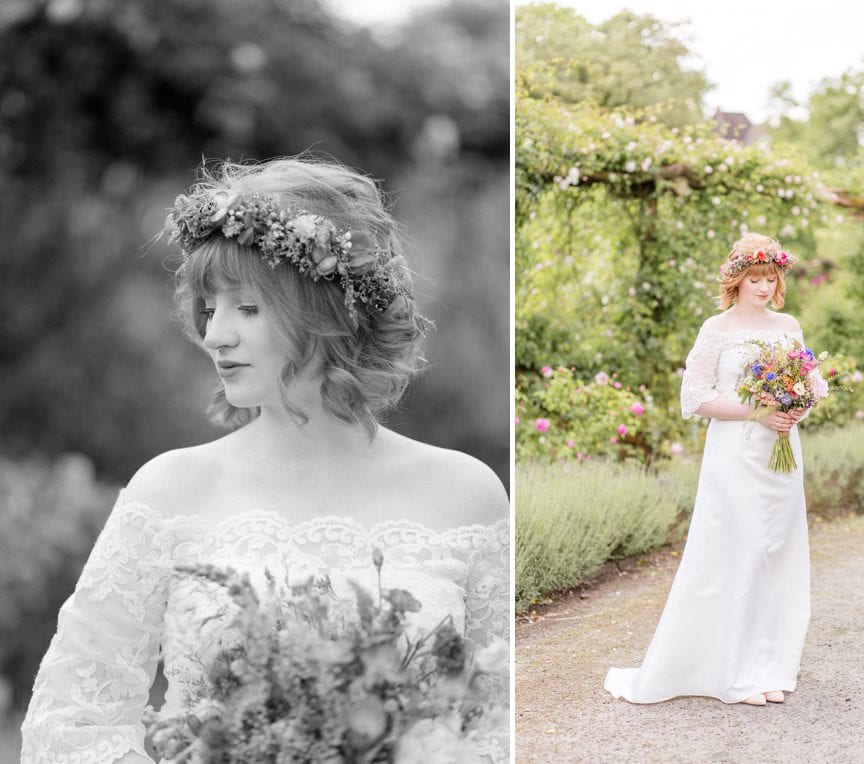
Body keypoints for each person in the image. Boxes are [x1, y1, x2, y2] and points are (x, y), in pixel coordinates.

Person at [21, 157, 510, 761]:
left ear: (332, 313)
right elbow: (71, 720)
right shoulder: (169, 491)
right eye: (210, 306)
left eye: (247, 308)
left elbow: (503, 722)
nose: (214, 334)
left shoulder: (468, 494)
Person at [604, 232, 809, 707]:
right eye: (755, 278)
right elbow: (693, 398)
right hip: (735, 456)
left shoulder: (789, 324)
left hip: (782, 452)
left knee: (776, 553)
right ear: (737, 280)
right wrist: (755, 411)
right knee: (741, 550)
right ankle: (733, 674)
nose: (763, 286)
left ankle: (767, 665)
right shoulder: (716, 329)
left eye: (770, 278)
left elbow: (807, 381)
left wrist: (794, 409)